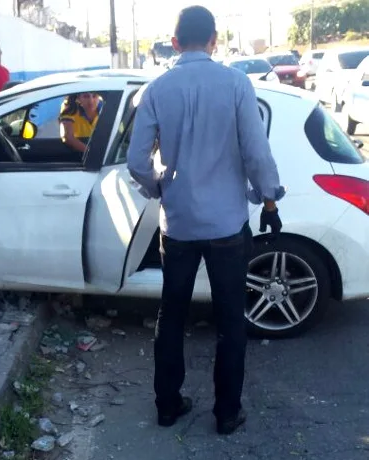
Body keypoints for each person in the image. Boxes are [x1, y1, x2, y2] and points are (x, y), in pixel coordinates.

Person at [127, 6, 285, 435]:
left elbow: (136, 160)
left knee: (171, 315)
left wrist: (160, 186)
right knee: (232, 320)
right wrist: (268, 202)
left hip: (177, 225)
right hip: (227, 227)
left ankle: (167, 405)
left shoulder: (157, 89)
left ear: (175, 42)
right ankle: (227, 413)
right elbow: (256, 152)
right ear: (215, 39)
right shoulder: (236, 84)